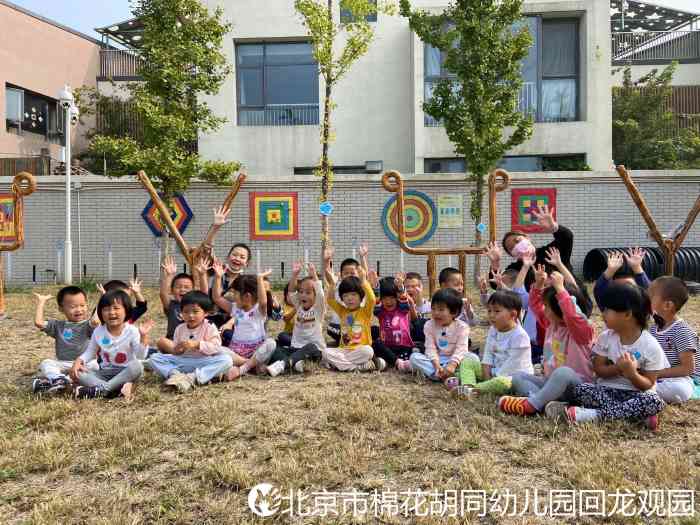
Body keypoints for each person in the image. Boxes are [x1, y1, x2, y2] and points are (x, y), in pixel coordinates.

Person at [547, 283, 667, 430]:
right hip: (605, 391)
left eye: (606, 310)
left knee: (653, 400)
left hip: (634, 395)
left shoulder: (650, 346)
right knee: (580, 389)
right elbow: (598, 369)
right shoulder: (606, 338)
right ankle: (637, 417)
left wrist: (632, 374)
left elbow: (648, 383)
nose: (602, 314)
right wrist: (617, 368)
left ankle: (593, 416)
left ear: (627, 314)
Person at [498, 267, 594, 416]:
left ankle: (532, 404)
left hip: (577, 386)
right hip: (551, 384)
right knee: (518, 377)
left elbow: (572, 316)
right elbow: (535, 306)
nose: (544, 309)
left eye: (548, 306)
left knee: (563, 372)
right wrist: (538, 286)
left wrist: (561, 290)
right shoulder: (552, 325)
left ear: (560, 308)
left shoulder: (581, 331)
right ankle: (548, 405)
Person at [70, 290, 153, 400]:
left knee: (138, 366)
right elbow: (90, 352)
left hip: (126, 372)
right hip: (104, 372)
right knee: (78, 373)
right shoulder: (99, 331)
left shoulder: (132, 331)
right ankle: (114, 390)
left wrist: (143, 337)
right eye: (106, 309)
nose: (111, 312)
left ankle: (101, 390)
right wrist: (78, 361)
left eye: (116, 308)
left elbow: (140, 356)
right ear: (100, 312)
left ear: (126, 310)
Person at [149, 291, 232, 393]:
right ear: (181, 313)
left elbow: (216, 347)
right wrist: (178, 350)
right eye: (186, 312)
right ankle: (175, 375)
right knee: (154, 358)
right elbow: (175, 350)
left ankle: (193, 378)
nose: (190, 315)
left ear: (205, 313)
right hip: (183, 361)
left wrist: (197, 344)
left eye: (195, 312)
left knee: (226, 360)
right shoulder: (180, 328)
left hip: (203, 361)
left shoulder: (210, 326)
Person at [455, 291, 532, 397]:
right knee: (468, 360)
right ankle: (468, 385)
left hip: (511, 376)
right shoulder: (493, 329)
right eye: (489, 311)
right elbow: (488, 354)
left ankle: (473, 389)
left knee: (502, 382)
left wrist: (491, 379)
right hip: (493, 372)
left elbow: (511, 366)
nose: (491, 315)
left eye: (496, 311)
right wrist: (487, 377)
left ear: (513, 314)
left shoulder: (520, 336)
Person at [211, 262, 277, 380]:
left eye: (235, 293)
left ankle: (241, 369)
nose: (233, 296)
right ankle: (251, 365)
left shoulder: (259, 311)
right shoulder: (235, 308)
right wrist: (217, 277)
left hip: (256, 351)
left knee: (271, 343)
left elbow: (263, 302)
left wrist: (260, 279)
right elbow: (217, 298)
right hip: (236, 352)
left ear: (247, 296)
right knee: (216, 349)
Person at [486, 203, 573, 291]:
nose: (517, 246)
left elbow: (567, 237)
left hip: (574, 297)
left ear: (527, 238)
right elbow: (496, 283)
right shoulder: (517, 268)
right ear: (512, 255)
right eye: (512, 248)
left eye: (518, 240)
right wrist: (495, 263)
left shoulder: (551, 252)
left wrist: (553, 227)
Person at [31, 286, 99, 395]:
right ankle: (60, 379)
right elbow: (39, 322)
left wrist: (102, 298)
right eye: (73, 306)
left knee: (96, 365)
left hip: (83, 364)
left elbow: (96, 321)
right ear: (61, 309)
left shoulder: (88, 325)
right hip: (62, 363)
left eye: (82, 305)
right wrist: (41, 302)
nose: (79, 310)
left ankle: (57, 382)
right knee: (46, 363)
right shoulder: (58, 325)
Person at [405, 289, 477, 389]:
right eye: (433, 309)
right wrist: (436, 365)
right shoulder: (429, 325)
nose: (436, 313)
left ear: (454, 312)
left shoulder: (462, 327)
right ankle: (446, 376)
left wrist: (452, 364)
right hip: (438, 360)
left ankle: (440, 375)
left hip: (456, 360)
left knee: (473, 358)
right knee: (414, 357)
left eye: (441, 309)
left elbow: (461, 349)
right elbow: (430, 348)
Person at [265, 261, 325, 375]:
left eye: (308, 292)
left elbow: (321, 294)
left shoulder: (318, 309)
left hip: (313, 351)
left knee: (312, 348)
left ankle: (282, 365)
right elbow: (291, 291)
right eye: (301, 292)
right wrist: (294, 275)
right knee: (273, 346)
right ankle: (296, 364)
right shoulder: (299, 306)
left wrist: (314, 275)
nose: (303, 295)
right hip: (295, 348)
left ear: (315, 295)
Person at [648, 276, 699, 404]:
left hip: (683, 379)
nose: (646, 299)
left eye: (650, 296)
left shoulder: (681, 331)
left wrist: (657, 373)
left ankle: (643, 391)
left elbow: (688, 369)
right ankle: (645, 391)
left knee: (678, 390)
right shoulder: (654, 328)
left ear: (667, 305)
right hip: (660, 376)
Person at [324, 266, 378, 372]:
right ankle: (357, 367)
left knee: (368, 351)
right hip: (344, 350)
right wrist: (332, 284)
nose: (349, 298)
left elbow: (371, 299)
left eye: (353, 294)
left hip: (360, 349)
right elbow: (330, 300)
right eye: (345, 295)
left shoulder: (365, 311)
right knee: (325, 352)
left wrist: (363, 281)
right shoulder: (343, 311)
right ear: (342, 298)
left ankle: (340, 365)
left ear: (361, 296)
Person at [323, 244, 370, 347]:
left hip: (358, 324)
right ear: (341, 275)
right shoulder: (339, 285)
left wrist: (363, 257)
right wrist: (327, 260)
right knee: (332, 329)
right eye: (346, 273)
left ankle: (347, 342)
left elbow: (364, 275)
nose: (349, 275)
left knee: (365, 330)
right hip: (341, 325)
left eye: (352, 273)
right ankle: (343, 342)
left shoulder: (361, 285)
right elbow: (328, 275)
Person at [373, 276, 417, 369]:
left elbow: (403, 297)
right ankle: (397, 362)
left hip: (404, 346)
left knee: (417, 348)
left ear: (397, 297)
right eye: (385, 298)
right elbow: (376, 301)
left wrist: (400, 287)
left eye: (392, 298)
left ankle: (393, 361)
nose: (388, 301)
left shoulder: (403, 309)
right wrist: (375, 287)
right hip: (387, 347)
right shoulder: (381, 312)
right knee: (376, 344)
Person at [157, 255, 195, 346]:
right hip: (173, 342)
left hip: (190, 343)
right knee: (162, 342)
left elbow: (204, 293)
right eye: (178, 287)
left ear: (193, 290)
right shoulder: (171, 305)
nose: (182, 290)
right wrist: (169, 275)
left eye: (187, 287)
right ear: (172, 290)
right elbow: (163, 294)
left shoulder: (196, 306)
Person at [403, 271, 430, 350]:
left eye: (414, 286)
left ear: (421, 287)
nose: (410, 289)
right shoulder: (400, 306)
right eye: (407, 287)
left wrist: (419, 304)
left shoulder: (430, 306)